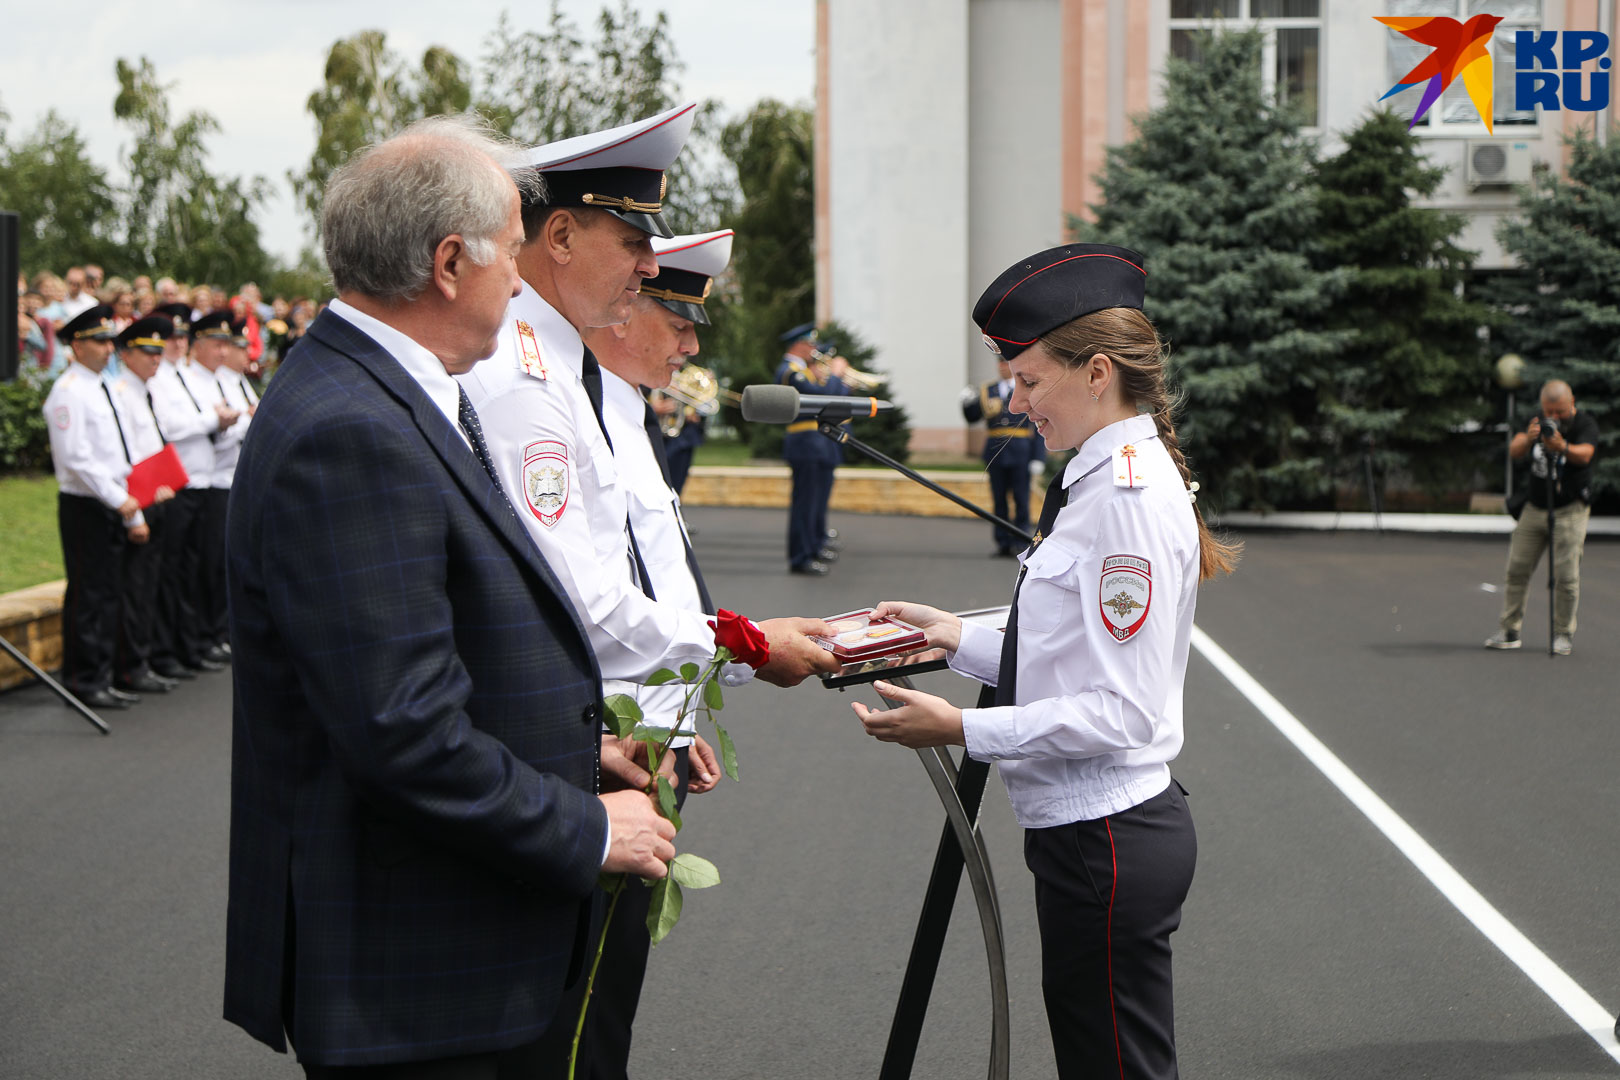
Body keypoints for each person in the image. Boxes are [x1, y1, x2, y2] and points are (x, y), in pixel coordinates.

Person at [222, 115, 678, 1077]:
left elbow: (433, 647)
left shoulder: (389, 393)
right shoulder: (351, 433)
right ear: (446, 263)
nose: (519, 282)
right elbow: (402, 728)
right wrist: (589, 824)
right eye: (511, 255)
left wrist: (563, 741)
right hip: (416, 975)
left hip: (442, 947)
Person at [851, 244, 1239, 1080]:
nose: (1015, 400)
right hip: (1090, 833)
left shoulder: (1126, 498)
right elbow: (1060, 653)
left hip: (1108, 839)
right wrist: (953, 635)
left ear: (1097, 371)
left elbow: (1123, 711)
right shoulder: (1100, 478)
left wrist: (962, 726)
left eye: (1029, 381)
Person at [458, 104, 836, 693]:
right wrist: (748, 649)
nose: (651, 265)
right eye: (635, 242)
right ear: (560, 235)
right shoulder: (523, 378)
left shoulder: (557, 364)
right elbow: (576, 604)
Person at [577, 227, 734, 1078]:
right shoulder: (570, 407)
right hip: (596, 746)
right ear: (624, 306)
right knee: (583, 1010)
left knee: (613, 993)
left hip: (644, 740)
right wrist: (740, 650)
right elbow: (587, 600)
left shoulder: (624, 409)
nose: (691, 343)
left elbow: (662, 578)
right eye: (676, 317)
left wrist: (675, 717)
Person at [41, 305, 149, 710]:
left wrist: (128, 501)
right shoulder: (68, 392)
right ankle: (83, 681)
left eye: (109, 340)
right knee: (90, 594)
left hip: (110, 501)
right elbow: (77, 460)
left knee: (108, 593)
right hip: (87, 504)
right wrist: (119, 500)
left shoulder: (106, 386)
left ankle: (101, 674)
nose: (109, 349)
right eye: (100, 341)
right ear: (77, 345)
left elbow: (119, 451)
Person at [145, 303, 234, 676]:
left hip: (202, 480)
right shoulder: (161, 380)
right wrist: (214, 419)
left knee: (195, 569)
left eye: (181, 336)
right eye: (171, 338)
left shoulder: (182, 377)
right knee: (175, 572)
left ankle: (192, 642)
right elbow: (172, 428)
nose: (177, 343)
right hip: (176, 485)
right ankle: (172, 650)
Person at [1484, 379, 1598, 655]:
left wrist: (1562, 447)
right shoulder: (1536, 420)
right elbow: (1514, 450)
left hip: (1570, 509)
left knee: (1566, 575)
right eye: (1549, 411)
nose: (1554, 418)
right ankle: (1509, 629)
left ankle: (1562, 634)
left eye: (1559, 412)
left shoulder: (1584, 424)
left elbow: (1586, 455)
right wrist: (1529, 436)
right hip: (1534, 508)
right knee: (1517, 569)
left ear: (1572, 404)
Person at [110, 316, 182, 694]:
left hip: (158, 496)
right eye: (147, 352)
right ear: (126, 353)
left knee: (151, 583)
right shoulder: (121, 392)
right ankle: (130, 666)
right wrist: (137, 511)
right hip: (137, 502)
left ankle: (145, 657)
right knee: (135, 587)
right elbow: (125, 458)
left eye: (158, 352)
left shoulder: (143, 390)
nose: (156, 359)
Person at [183, 311, 247, 662]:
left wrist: (231, 424)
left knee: (219, 563)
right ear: (199, 346)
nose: (223, 353)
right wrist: (224, 423)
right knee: (202, 565)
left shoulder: (219, 380)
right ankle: (202, 636)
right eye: (216, 345)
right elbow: (193, 428)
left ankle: (216, 632)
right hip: (205, 480)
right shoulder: (189, 379)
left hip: (223, 476)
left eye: (225, 346)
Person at [775, 324, 849, 575]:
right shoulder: (790, 372)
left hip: (816, 444)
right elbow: (825, 399)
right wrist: (836, 376)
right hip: (806, 443)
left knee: (815, 502)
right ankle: (800, 557)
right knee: (805, 504)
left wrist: (835, 380)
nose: (814, 350)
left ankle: (813, 547)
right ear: (799, 345)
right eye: (811, 345)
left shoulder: (803, 371)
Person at [962, 356, 1047, 557]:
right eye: (999, 363)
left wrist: (1038, 457)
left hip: (1021, 449)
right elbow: (973, 417)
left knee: (1021, 498)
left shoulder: (1026, 388)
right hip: (995, 451)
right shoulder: (988, 390)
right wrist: (966, 403)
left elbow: (1039, 421)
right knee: (999, 499)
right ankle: (1002, 542)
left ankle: (1021, 540)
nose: (1002, 367)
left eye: (1005, 363)